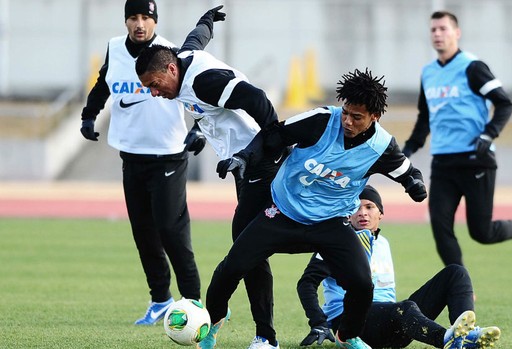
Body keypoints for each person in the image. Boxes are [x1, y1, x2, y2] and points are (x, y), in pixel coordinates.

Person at [201, 68, 429, 349]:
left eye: (356, 117)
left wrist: (416, 186)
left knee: (362, 284)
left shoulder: (382, 147)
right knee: (231, 268)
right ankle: (213, 322)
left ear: (374, 117)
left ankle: (347, 335)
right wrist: (245, 157)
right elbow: (273, 134)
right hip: (284, 212)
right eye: (346, 112)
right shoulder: (321, 120)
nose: (347, 120)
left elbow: (408, 172)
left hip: (331, 222)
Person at [134, 13, 288, 347]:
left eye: (154, 85)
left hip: (261, 163)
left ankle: (263, 336)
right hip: (244, 166)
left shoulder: (204, 81)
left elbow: (258, 100)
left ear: (170, 69)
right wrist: (207, 21)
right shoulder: (182, 61)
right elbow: (197, 39)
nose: (154, 93)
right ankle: (228, 318)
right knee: (249, 245)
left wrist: (266, 149)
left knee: (249, 246)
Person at [79, 0, 225, 325]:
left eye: (146, 17)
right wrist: (90, 115)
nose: (139, 24)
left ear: (155, 20)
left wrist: (199, 129)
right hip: (131, 155)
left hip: (168, 155)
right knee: (143, 233)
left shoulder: (170, 52)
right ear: (126, 21)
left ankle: (193, 301)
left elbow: (198, 91)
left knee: (171, 231)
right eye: (133, 17)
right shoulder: (114, 48)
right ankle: (160, 300)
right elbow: (104, 83)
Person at [401, 11, 512, 267]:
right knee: (439, 227)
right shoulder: (428, 73)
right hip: (443, 162)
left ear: (456, 33)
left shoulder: (473, 67)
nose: (437, 34)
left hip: (476, 160)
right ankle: (461, 288)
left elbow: (505, 103)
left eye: (443, 29)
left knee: (481, 233)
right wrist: (409, 148)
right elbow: (425, 117)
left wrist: (489, 133)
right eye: (433, 30)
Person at [297, 185, 501, 349]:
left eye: (369, 207)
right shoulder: (336, 244)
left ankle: (467, 333)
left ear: (381, 214)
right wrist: (319, 322)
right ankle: (447, 340)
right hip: (351, 323)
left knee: (456, 272)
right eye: (355, 207)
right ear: (346, 214)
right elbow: (307, 283)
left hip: (389, 322)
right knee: (406, 308)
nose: (362, 213)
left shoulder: (382, 242)